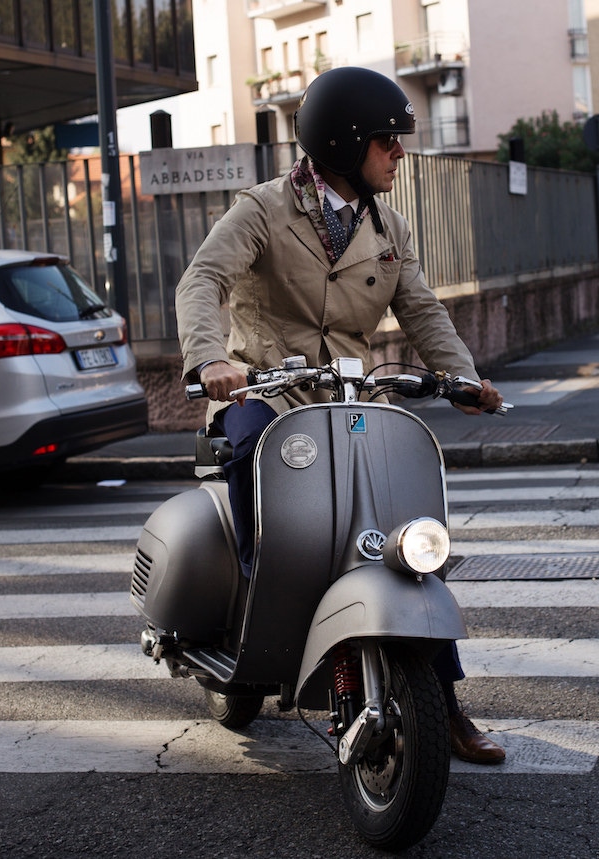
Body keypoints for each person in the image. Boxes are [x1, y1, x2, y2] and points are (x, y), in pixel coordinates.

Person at [175, 66, 505, 765]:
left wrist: (465, 377)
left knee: (408, 534)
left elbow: (420, 309)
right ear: (345, 143)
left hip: (352, 399)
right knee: (251, 449)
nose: (400, 154)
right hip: (265, 388)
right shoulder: (263, 209)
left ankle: (440, 700)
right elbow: (203, 278)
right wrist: (211, 361)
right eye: (389, 142)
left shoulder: (388, 225)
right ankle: (258, 606)